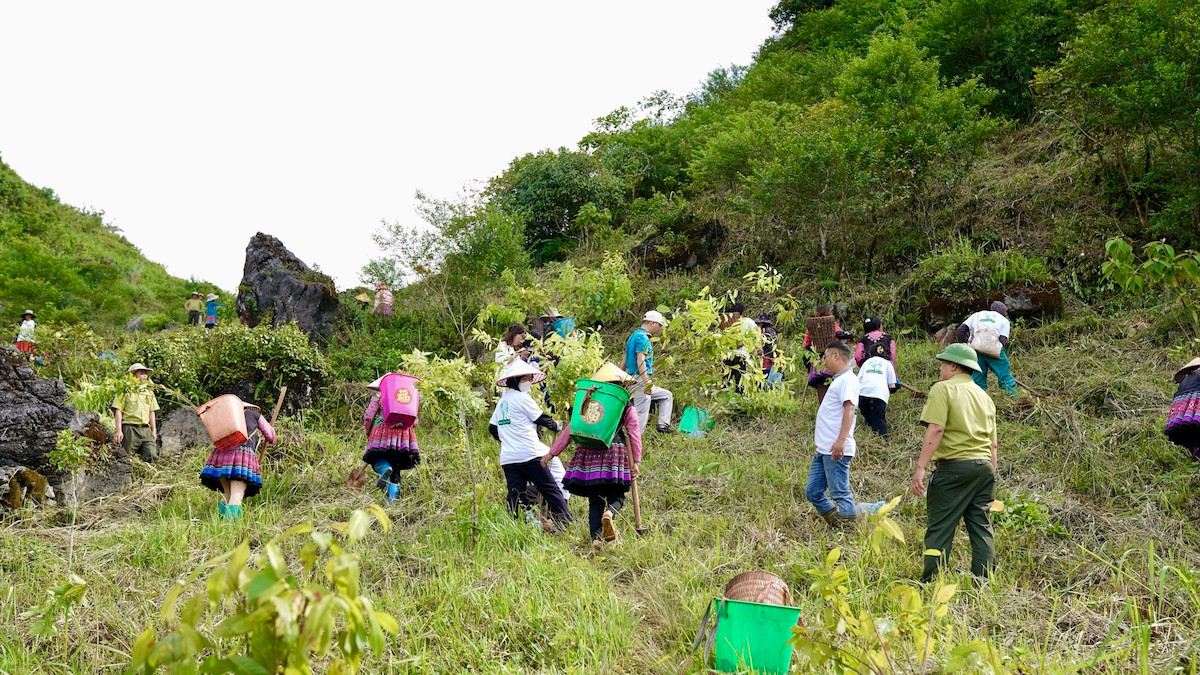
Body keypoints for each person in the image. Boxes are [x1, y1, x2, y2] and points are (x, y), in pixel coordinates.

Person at [910, 343, 999, 583]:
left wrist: (920, 468)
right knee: (980, 525)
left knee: (940, 526)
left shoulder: (943, 389)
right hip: (984, 468)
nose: (941, 368)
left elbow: (936, 428)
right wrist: (992, 475)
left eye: (943, 363)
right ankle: (984, 579)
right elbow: (992, 444)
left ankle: (931, 582)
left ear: (953, 365)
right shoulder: (984, 397)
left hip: (954, 469)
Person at [547, 363, 643, 552]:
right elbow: (634, 433)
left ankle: (596, 540)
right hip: (614, 452)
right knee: (617, 496)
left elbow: (570, 429)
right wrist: (637, 460)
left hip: (589, 453)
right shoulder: (625, 404)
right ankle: (610, 513)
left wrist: (552, 453)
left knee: (595, 499)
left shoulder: (587, 400)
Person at [488, 360, 571, 529]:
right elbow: (541, 418)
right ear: (518, 379)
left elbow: (492, 428)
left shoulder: (503, 401)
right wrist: (556, 425)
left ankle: (514, 524)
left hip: (509, 458)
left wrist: (507, 439)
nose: (529, 382)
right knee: (550, 489)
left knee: (515, 494)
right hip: (529, 454)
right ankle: (566, 523)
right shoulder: (522, 398)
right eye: (527, 378)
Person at [805, 341, 860, 527]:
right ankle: (837, 521)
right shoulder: (839, 380)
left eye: (826, 357)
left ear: (836, 356)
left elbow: (849, 409)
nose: (824, 361)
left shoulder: (848, 380)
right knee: (813, 491)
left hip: (836, 449)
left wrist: (841, 440)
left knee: (840, 493)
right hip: (824, 449)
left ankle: (848, 530)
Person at [200, 398, 275, 521]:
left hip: (222, 457)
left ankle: (220, 523)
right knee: (236, 495)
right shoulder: (254, 415)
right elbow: (270, 436)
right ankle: (230, 528)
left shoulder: (224, 417)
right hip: (242, 458)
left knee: (227, 493)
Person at [362, 375, 420, 504]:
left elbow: (369, 416)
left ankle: (384, 469)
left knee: (375, 458)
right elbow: (414, 419)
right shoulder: (410, 394)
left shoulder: (378, 396)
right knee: (397, 465)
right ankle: (392, 502)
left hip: (382, 430)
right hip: (404, 434)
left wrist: (368, 431)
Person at [625, 311, 674, 433]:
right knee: (640, 412)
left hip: (631, 378)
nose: (659, 329)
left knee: (666, 395)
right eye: (659, 325)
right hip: (640, 379)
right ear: (653, 323)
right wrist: (646, 382)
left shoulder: (633, 336)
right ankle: (636, 442)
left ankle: (663, 424)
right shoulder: (643, 338)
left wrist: (620, 376)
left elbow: (625, 359)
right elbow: (640, 358)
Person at [956, 301, 1017, 395]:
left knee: (977, 380)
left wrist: (965, 348)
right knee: (1005, 376)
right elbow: (1002, 341)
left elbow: (960, 331)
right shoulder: (1004, 321)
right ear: (1003, 312)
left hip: (974, 350)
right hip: (992, 347)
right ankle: (1013, 398)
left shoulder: (976, 315)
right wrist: (995, 361)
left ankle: (978, 402)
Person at [111, 363, 160, 463]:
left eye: (145, 373)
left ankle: (147, 476)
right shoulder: (124, 391)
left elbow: (152, 412)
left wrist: (154, 430)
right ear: (133, 375)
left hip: (145, 429)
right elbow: (118, 410)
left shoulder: (149, 392)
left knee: (151, 454)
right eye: (141, 373)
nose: (144, 376)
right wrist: (119, 430)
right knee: (127, 456)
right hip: (130, 429)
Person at [722, 302, 760, 393]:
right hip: (742, 356)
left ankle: (723, 398)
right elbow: (757, 336)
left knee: (725, 381)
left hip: (728, 355)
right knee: (740, 383)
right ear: (743, 313)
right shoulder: (749, 322)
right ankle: (739, 400)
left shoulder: (727, 321)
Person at [1166, 357, 1200, 461]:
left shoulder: (1186, 378)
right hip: (1195, 401)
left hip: (1181, 408)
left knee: (1188, 432)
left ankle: (1196, 457)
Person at [857, 355, 898, 437]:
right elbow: (892, 385)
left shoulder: (866, 362)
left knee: (865, 410)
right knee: (879, 416)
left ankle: (871, 427)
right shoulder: (888, 363)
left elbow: (858, 379)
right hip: (880, 392)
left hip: (864, 390)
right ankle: (882, 437)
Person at [756, 312, 782, 387]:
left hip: (768, 358)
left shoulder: (768, 331)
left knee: (766, 378)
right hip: (768, 358)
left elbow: (771, 346)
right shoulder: (768, 331)